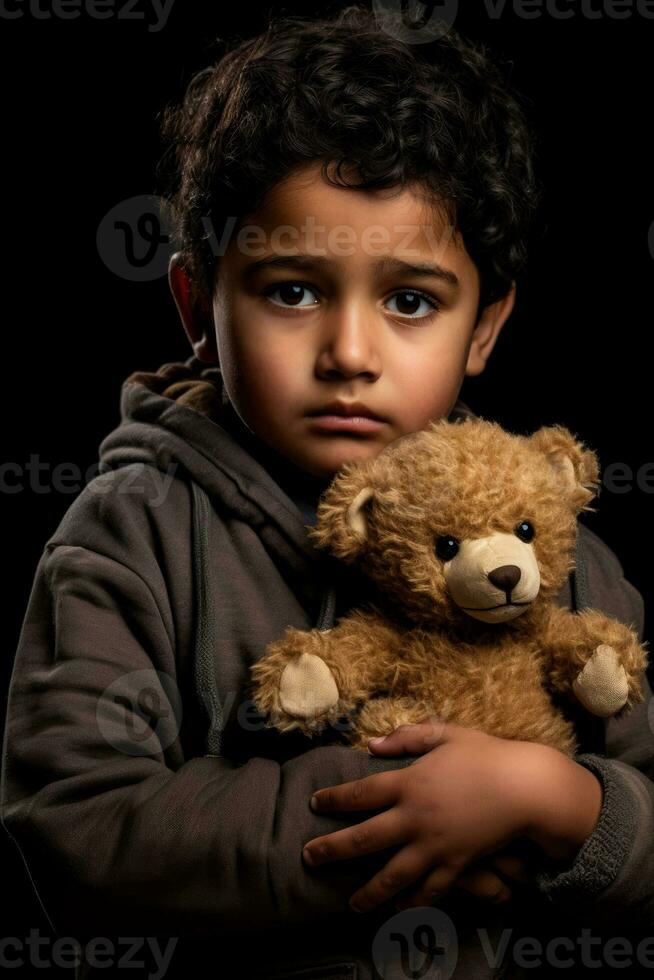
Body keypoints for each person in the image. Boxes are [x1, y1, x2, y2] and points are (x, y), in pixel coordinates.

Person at [2, 6, 653, 979]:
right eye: (293, 291)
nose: (350, 352)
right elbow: (78, 830)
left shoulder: (548, 550)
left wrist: (556, 801)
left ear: (484, 327)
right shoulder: (132, 530)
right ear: (196, 304)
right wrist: (409, 806)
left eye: (410, 300)